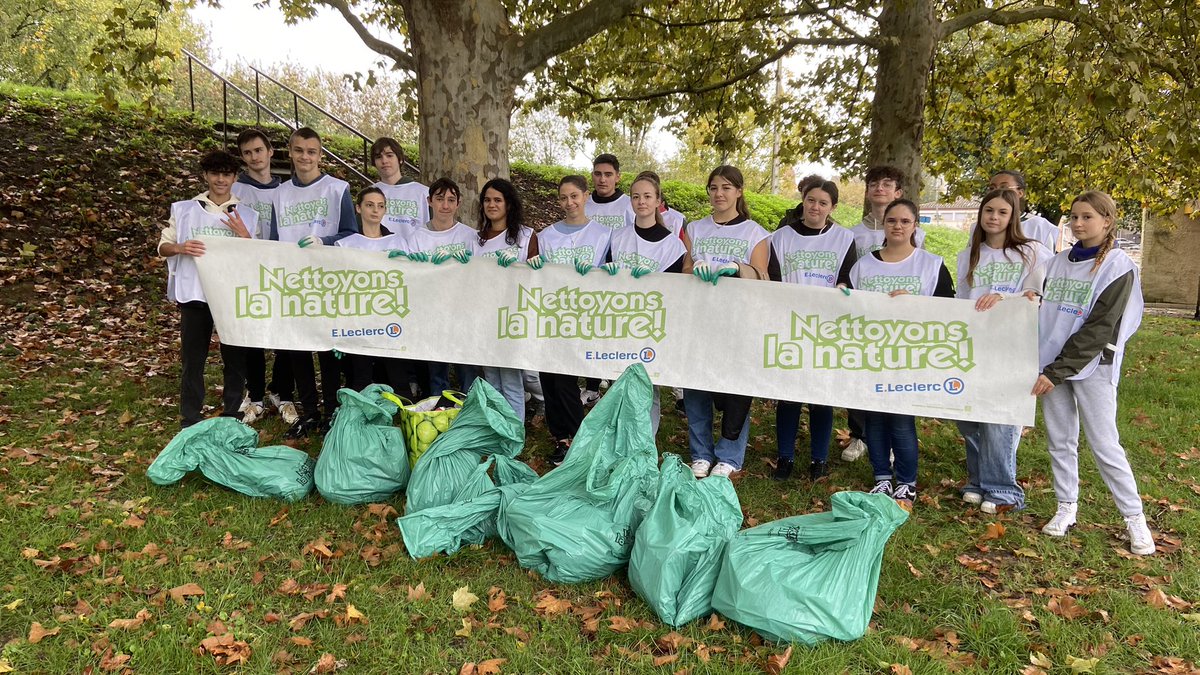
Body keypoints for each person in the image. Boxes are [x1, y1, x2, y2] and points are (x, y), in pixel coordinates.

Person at [1030, 191, 1153, 555]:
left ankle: (1135, 518)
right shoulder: (1056, 262)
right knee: (1060, 440)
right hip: (1051, 364)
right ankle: (1066, 507)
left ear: (1107, 221)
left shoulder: (1117, 266)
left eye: (1087, 217)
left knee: (1104, 444)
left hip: (1090, 366)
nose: (1078, 224)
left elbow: (1100, 328)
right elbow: (1039, 308)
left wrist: (1058, 370)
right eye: (1074, 217)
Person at [845, 198, 954, 508]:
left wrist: (915, 303)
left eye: (905, 221)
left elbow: (948, 309)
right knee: (874, 420)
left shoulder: (930, 264)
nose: (898, 226)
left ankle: (906, 482)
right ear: (884, 224)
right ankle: (882, 477)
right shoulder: (864, 265)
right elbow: (849, 305)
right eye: (892, 220)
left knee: (902, 421)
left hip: (911, 356)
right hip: (872, 353)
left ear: (914, 226)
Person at [954, 188, 1051, 513]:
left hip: (1012, 344)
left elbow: (1037, 297)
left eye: (1002, 212)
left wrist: (1004, 298)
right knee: (969, 416)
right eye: (988, 211)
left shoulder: (1031, 252)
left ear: (1013, 217)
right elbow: (962, 301)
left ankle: (1003, 490)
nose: (994, 217)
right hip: (975, 344)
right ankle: (977, 481)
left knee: (999, 418)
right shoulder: (970, 254)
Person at [157, 150, 259, 428]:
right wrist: (180, 247)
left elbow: (258, 257)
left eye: (226, 174)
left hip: (231, 296)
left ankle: (232, 413)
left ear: (235, 177)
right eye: (215, 174)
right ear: (205, 175)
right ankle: (190, 416)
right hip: (195, 293)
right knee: (193, 359)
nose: (220, 180)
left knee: (235, 359)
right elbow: (163, 246)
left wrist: (245, 237)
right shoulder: (185, 209)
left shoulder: (248, 215)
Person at [680, 165, 770, 479]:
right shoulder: (695, 228)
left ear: (739, 192)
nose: (719, 194)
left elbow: (761, 276)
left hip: (737, 321)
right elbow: (685, 271)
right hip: (699, 318)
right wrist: (697, 267)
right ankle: (701, 453)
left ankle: (730, 454)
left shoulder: (755, 232)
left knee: (735, 388)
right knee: (696, 387)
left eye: (727, 188)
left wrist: (734, 266)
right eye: (714, 187)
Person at [272, 126, 359, 437]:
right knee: (298, 348)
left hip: (328, 281)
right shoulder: (279, 194)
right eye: (299, 150)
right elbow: (273, 240)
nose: (305, 157)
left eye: (311, 151)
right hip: (293, 282)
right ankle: (309, 412)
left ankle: (333, 411)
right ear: (290, 153)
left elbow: (352, 233)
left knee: (328, 346)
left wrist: (325, 241)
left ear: (320, 155)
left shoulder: (338, 189)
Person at [767, 179, 857, 481]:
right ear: (802, 200)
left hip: (826, 327)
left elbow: (849, 277)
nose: (815, 207)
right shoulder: (780, 238)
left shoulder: (844, 238)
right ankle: (785, 457)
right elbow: (775, 280)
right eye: (811, 200)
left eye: (823, 202)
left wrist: (844, 286)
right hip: (790, 324)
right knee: (789, 395)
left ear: (832, 207)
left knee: (821, 395)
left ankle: (819, 460)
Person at [529, 175, 615, 465]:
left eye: (575, 196)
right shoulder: (546, 236)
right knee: (548, 376)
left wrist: (606, 270)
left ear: (586, 196)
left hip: (584, 314)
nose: (570, 202)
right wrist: (534, 265)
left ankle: (577, 437)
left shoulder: (603, 234)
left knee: (565, 376)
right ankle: (560, 437)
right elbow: (535, 274)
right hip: (552, 312)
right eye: (564, 197)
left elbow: (612, 272)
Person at [843, 165, 926, 463]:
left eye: (887, 184)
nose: (880, 189)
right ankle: (859, 435)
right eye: (874, 183)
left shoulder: (920, 239)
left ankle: (895, 443)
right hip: (866, 323)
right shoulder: (852, 233)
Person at [609, 171, 690, 436]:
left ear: (658, 201)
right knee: (618, 381)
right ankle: (622, 437)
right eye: (635, 196)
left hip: (651, 325)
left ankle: (646, 442)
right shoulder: (618, 237)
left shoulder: (672, 246)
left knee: (648, 384)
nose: (641, 201)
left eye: (647, 196)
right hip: (619, 319)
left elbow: (676, 292)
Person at [393, 177, 478, 396]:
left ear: (458, 203)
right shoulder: (417, 238)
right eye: (440, 199)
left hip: (463, 310)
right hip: (431, 312)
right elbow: (409, 278)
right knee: (436, 369)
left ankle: (471, 410)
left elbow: (481, 273)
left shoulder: (470, 236)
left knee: (466, 365)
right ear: (429, 201)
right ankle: (439, 408)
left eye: (451, 200)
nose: (446, 205)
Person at [230, 128, 286, 426]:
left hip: (280, 269)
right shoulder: (236, 190)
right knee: (252, 335)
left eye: (258, 150)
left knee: (283, 333)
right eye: (248, 153)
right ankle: (254, 394)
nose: (254, 157)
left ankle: (279, 389)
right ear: (243, 158)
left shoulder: (286, 190)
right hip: (248, 270)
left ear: (270, 152)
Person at [335, 187, 410, 393]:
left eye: (380, 206)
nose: (375, 210)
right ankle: (360, 421)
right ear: (358, 208)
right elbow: (339, 286)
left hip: (392, 320)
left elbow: (411, 279)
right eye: (369, 205)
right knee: (361, 379)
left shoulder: (399, 242)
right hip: (360, 321)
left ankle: (404, 420)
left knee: (399, 380)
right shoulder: (345, 244)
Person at [474, 178, 536, 420]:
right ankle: (497, 427)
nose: (492, 204)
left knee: (510, 378)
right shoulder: (476, 238)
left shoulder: (526, 236)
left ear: (508, 204)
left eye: (497, 200)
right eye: (487, 200)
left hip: (512, 316)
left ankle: (514, 432)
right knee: (491, 377)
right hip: (484, 316)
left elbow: (536, 275)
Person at [580, 153, 633, 404]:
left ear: (618, 177)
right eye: (598, 174)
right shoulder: (585, 203)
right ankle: (591, 386)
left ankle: (615, 383)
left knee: (614, 332)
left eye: (608, 174)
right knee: (591, 331)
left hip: (619, 277)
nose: (603, 179)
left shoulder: (627, 205)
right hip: (589, 276)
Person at [987, 170, 1061, 253]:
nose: (996, 192)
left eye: (1004, 187)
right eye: (992, 188)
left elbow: (1049, 263)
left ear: (1020, 193)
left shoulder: (1039, 226)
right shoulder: (982, 225)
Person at [371, 137, 429, 232]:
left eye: (389, 155)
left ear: (400, 159)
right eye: (378, 157)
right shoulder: (369, 194)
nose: (384, 161)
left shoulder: (424, 193)